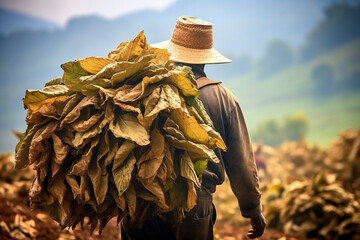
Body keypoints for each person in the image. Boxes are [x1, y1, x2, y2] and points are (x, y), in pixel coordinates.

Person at [121, 16, 266, 240]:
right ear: (205, 58)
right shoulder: (223, 98)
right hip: (194, 204)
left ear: (174, 52)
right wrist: (253, 211)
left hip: (143, 200)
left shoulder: (143, 88)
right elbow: (241, 165)